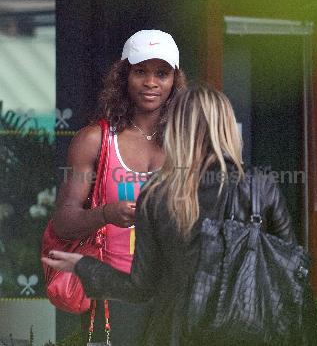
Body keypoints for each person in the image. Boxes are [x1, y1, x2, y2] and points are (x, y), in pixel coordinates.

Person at [43, 86, 295, 345]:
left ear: (178, 129)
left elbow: (141, 288)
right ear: (228, 126)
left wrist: (82, 267)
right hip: (248, 330)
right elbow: (290, 265)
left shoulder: (156, 195)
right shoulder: (259, 185)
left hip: (175, 332)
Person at [52, 29, 187, 345]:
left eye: (162, 73)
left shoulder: (190, 143)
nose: (151, 82)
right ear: (124, 76)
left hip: (176, 294)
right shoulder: (95, 140)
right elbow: (63, 222)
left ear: (174, 81)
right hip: (113, 295)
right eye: (140, 71)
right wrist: (105, 214)